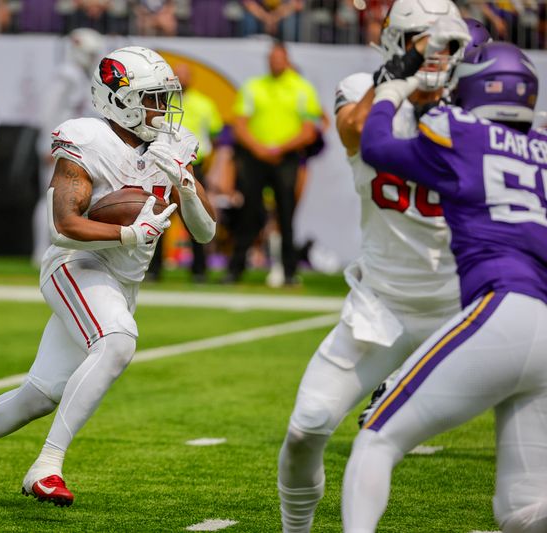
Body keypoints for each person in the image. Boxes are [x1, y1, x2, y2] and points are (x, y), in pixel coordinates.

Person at [0, 46, 216, 507]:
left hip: (121, 282)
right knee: (117, 340)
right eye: (153, 98)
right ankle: (47, 465)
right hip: (76, 266)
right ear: (120, 98)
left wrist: (186, 187)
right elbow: (62, 225)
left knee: (41, 393)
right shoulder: (88, 139)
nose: (162, 109)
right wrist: (128, 234)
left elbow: (206, 231)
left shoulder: (171, 144)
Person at [276, 3, 470, 531]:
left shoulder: (476, 100)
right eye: (419, 41)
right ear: (394, 43)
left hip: (466, 309)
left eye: (446, 44)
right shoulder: (364, 87)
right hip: (380, 307)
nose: (434, 54)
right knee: (307, 427)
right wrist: (396, 80)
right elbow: (354, 132)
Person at [342, 40, 547, 533]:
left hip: (505, 308)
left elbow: (375, 146)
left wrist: (392, 85)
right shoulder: (543, 150)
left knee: (377, 438)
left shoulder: (462, 130)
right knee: (523, 513)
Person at [226, 39, 322, 287]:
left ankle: (289, 271)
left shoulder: (302, 88)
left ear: (287, 60)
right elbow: (240, 123)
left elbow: (309, 129)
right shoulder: (254, 86)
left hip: (286, 157)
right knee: (248, 212)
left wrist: (280, 147)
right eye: (272, 59)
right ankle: (235, 268)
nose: (275, 63)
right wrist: (259, 147)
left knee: (286, 213)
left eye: (279, 59)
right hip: (255, 156)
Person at [32, 28, 104, 267]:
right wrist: (48, 144)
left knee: (70, 201)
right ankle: (40, 252)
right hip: (59, 146)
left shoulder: (80, 76)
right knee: (51, 199)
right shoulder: (66, 74)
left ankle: (63, 252)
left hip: (74, 147)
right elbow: (47, 111)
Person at [147, 62, 223, 282]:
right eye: (176, 76)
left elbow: (217, 135)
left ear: (192, 78)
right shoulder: (160, 101)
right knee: (159, 213)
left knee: (195, 213)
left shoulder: (204, 103)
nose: (180, 80)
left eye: (184, 76)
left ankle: (199, 270)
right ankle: (154, 269)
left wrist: (210, 162)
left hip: (192, 164)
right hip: (161, 161)